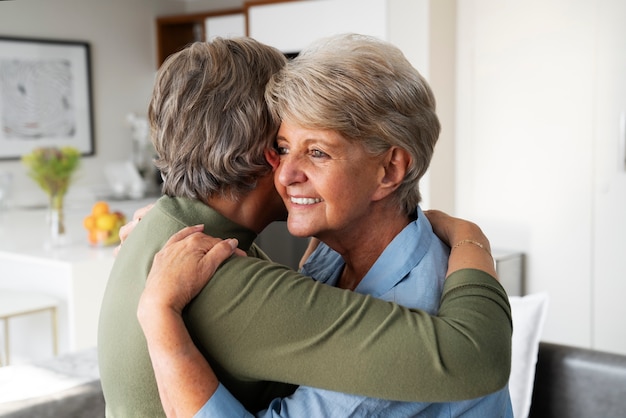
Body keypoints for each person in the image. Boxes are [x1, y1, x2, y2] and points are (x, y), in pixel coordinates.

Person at [97, 36, 512, 417]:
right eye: (281, 148)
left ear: (389, 170)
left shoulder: (410, 318)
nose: (285, 173)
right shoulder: (330, 253)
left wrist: (158, 311)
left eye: (316, 152)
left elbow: (473, 357)